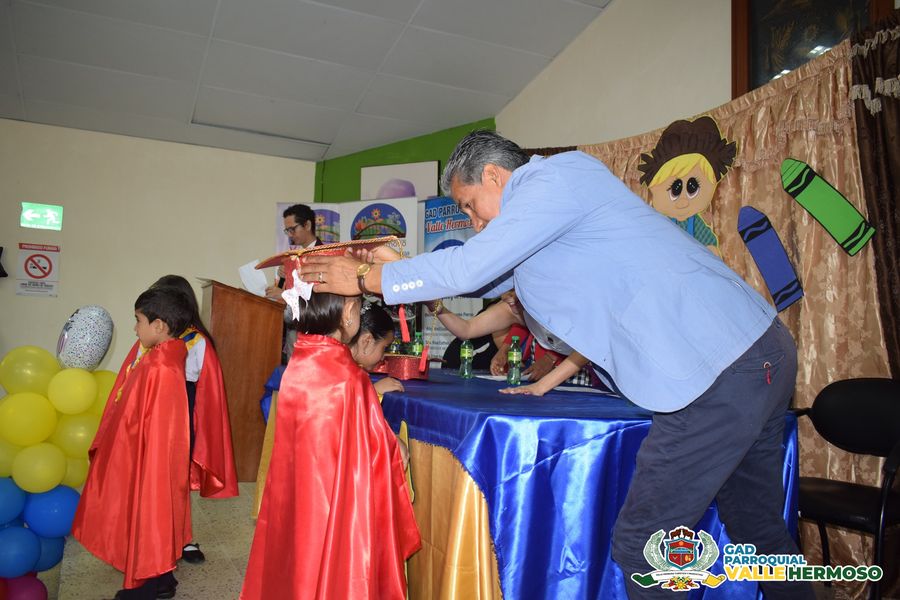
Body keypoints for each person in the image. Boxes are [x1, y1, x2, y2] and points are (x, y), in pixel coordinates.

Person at [298, 130, 813, 599]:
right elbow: (481, 280)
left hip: (722, 369)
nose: (474, 224)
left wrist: (363, 278)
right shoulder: (544, 230)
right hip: (751, 355)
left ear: (495, 176)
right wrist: (396, 267)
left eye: (470, 206)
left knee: (643, 547)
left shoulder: (555, 177)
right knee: (756, 527)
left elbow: (470, 267)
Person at [241, 289, 420, 599]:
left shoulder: (299, 362)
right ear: (348, 311)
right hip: (333, 502)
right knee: (333, 562)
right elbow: (370, 450)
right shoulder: (348, 378)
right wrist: (394, 446)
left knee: (299, 558)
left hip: (300, 493)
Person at [73, 287, 194, 600]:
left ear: (159, 326)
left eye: (138, 320)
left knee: (151, 512)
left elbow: (156, 425)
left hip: (150, 457)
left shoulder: (160, 366)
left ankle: (147, 585)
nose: (135, 328)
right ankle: (163, 579)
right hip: (148, 452)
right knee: (155, 514)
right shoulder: (164, 356)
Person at [150, 275, 239, 565]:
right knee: (153, 475)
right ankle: (152, 534)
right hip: (155, 409)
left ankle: (181, 537)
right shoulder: (153, 333)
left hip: (181, 409)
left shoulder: (195, 339)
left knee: (175, 477)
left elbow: (202, 384)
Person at [348, 301, 405, 396]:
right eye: (385, 348)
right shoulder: (339, 371)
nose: (383, 358)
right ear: (367, 341)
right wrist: (373, 391)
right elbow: (340, 403)